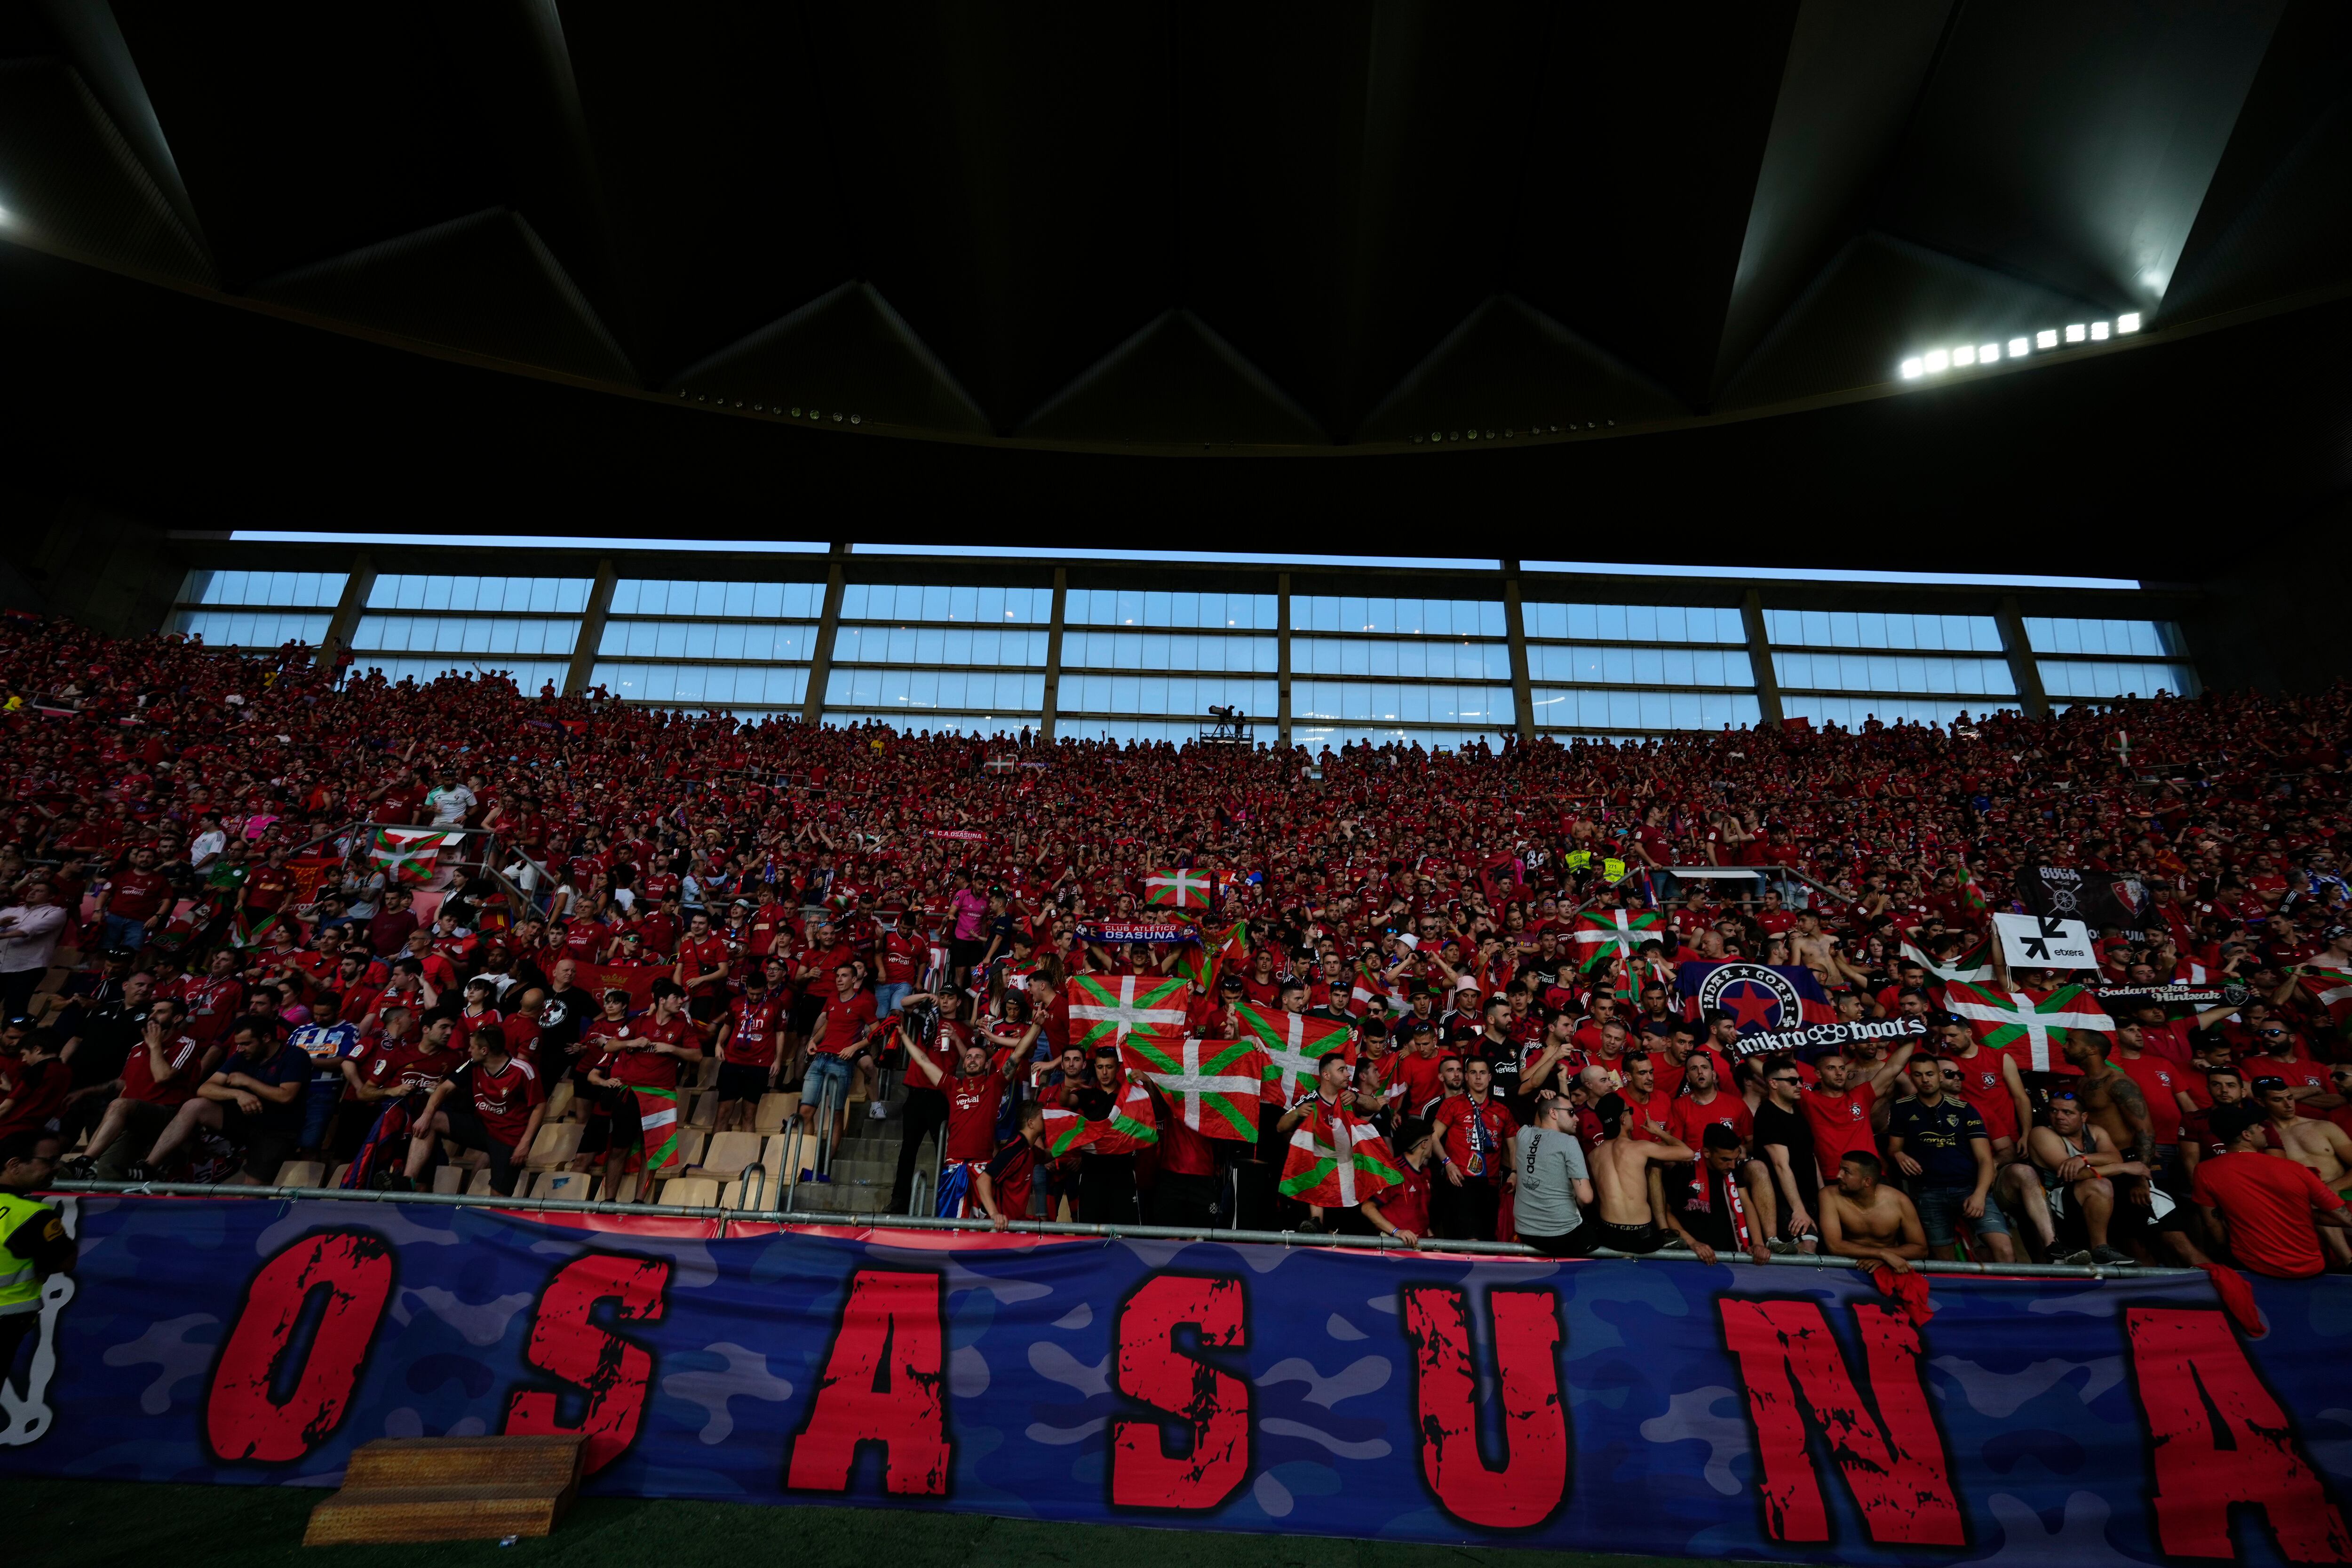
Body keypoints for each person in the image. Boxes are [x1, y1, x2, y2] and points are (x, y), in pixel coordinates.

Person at [129, 1017, 310, 1185]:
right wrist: (238, 1095)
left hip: (277, 1131)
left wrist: (248, 1082)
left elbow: (286, 1096)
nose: (240, 1049)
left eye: (246, 1044)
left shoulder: (294, 1056)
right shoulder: (243, 1056)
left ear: (267, 1038)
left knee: (252, 1194)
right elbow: (205, 1089)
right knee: (195, 1106)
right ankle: (149, 1167)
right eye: (238, 1044)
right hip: (246, 1121)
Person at [2190, 1103, 2352, 1279]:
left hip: (2251, 1266)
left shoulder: (2205, 1171)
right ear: (2247, 1135)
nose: (2262, 1129)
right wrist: (2303, 1214)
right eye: (2257, 1127)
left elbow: (2212, 1223)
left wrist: (2226, 1250)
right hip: (2308, 1267)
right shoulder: (2295, 1169)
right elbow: (2342, 1216)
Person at [1886, 1053, 2014, 1263]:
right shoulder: (1901, 1108)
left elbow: (1984, 1159)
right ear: (1911, 1079)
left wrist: (1980, 1195)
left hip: (1969, 1188)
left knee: (2005, 1250)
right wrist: (1899, 1154)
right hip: (1928, 1192)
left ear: (1939, 1076)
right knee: (1944, 1262)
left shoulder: (1965, 1110)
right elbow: (1893, 1148)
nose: (1925, 1080)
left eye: (1930, 1074)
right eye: (1918, 1075)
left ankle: (2012, 1295)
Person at [900, 1009, 1022, 1218]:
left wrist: (1037, 1027)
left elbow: (1018, 1054)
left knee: (981, 1235)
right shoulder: (951, 1085)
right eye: (968, 1057)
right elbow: (923, 1060)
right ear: (963, 1063)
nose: (972, 1060)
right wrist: (903, 1035)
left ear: (986, 1064)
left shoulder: (995, 1084)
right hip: (953, 1168)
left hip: (983, 1170)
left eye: (978, 1057)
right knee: (949, 1230)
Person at [400, 1026, 545, 1196]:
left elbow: (540, 1106)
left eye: (472, 1047)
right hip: (482, 1127)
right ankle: (407, 1181)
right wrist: (425, 1116)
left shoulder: (523, 1071)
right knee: (432, 1120)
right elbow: (444, 1089)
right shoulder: (473, 1064)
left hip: (510, 1139)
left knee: (499, 1199)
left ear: (484, 1051)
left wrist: (525, 1144)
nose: (469, 1050)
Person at [2023, 1090, 2146, 1266]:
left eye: (2068, 1112)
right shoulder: (2041, 1133)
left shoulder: (2096, 1132)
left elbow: (2115, 1157)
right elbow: (2073, 1174)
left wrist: (2084, 1158)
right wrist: (2121, 1167)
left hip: (2086, 1201)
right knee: (2101, 1184)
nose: (2059, 1117)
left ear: (2084, 1117)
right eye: (2053, 1111)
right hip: (2053, 1204)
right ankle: (2100, 1248)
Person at [1576, 1091, 1696, 1254]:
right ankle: (1665, 1231)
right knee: (1654, 1163)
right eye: (1630, 1111)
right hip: (1641, 1238)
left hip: (1609, 1235)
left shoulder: (1593, 1156)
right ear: (1623, 1119)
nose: (1632, 1115)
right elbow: (1688, 1153)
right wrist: (1659, 1132)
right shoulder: (1640, 1148)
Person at [0, 1132, 73, 1384]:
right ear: (15, 1165)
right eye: (50, 1161)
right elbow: (65, 1261)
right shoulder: (33, 1215)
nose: (56, 1168)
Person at [1654, 1123, 1775, 1266]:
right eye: (1725, 1160)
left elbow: (1746, 1204)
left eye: (1734, 1159)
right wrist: (1693, 1243)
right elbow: (1667, 1212)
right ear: (1707, 1153)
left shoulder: (1732, 1170)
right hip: (1693, 1257)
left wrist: (1758, 1243)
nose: (1732, 1166)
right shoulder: (1684, 1171)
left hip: (1731, 1257)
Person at [1431, 1057, 1518, 1242]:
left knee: (1488, 1241)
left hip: (1491, 1185)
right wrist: (1448, 1163)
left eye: (1482, 1073)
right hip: (1460, 1182)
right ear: (1466, 1078)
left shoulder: (1502, 1111)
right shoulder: (1453, 1104)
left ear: (1490, 1077)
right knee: (1470, 1242)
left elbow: (1514, 1146)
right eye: (1473, 1073)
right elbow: (1433, 1137)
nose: (1478, 1078)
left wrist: (1514, 1172)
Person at [1818, 1150, 1930, 1274]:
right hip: (1847, 1268)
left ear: (1867, 1182)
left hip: (1890, 1268)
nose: (1838, 1176)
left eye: (1846, 1172)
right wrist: (1882, 1254)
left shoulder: (1899, 1201)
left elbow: (1921, 1249)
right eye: (1840, 1169)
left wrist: (1885, 1259)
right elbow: (1835, 1246)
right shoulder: (1829, 1195)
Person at [1511, 1094, 1596, 1257]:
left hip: (1525, 1231)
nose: (1576, 1118)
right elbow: (1586, 1198)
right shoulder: (1569, 1142)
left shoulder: (1523, 1134)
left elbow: (1540, 1124)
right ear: (1554, 1113)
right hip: (1562, 1235)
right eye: (1571, 1112)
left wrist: (1542, 1100)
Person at [1361, 1115, 1437, 1246]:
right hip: (1395, 1248)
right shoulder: (1394, 1172)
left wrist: (1433, 1242)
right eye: (1431, 1140)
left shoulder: (1426, 1173)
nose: (1433, 1144)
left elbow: (1420, 1215)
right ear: (1424, 1144)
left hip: (1420, 1248)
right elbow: (1367, 1208)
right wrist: (1397, 1232)